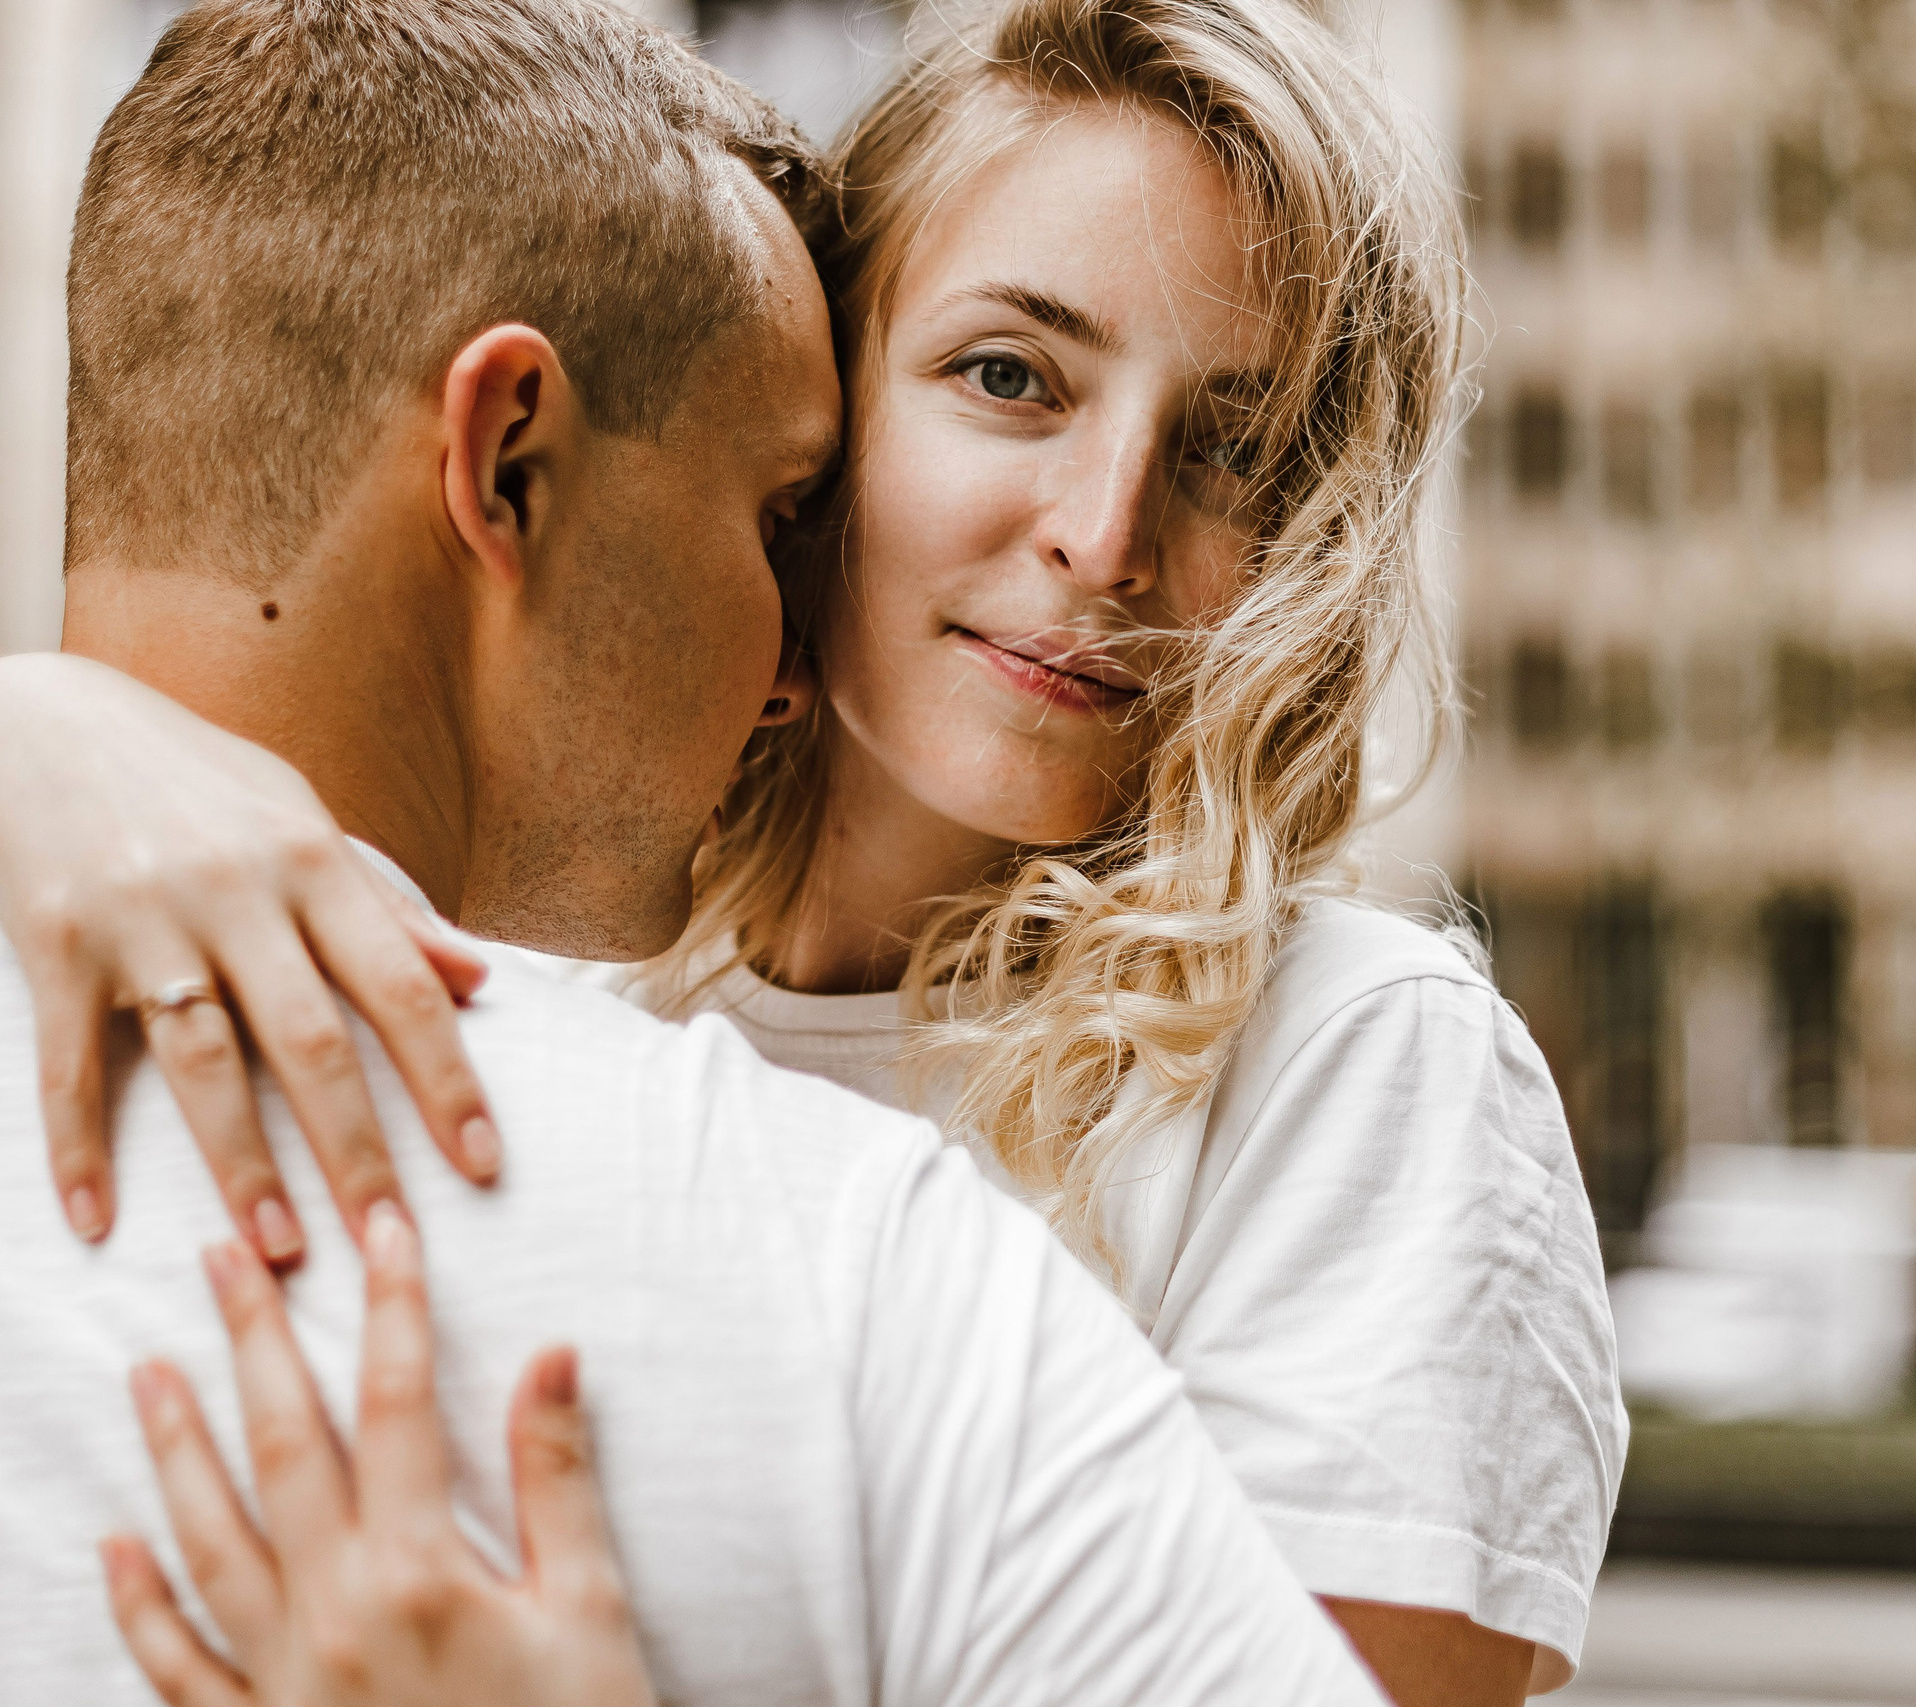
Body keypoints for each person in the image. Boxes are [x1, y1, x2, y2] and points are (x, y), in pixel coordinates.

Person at [1, 0, 1626, 1699]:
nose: (1105, 537)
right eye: (1011, 379)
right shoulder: (566, 978)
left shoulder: (1351, 1063)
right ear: (826, 397)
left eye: (1235, 449)